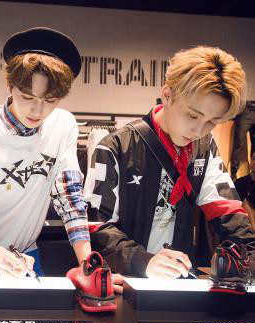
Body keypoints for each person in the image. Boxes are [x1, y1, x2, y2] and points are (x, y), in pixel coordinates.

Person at [0, 27, 118, 301]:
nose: (38, 110)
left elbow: (70, 200)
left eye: (50, 100)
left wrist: (88, 265)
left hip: (27, 257)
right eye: (27, 97)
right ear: (9, 86)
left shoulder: (63, 125)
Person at [84, 46, 255, 280]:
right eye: (192, 115)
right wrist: (143, 261)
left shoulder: (205, 148)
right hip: (122, 282)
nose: (199, 130)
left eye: (212, 122)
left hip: (177, 282)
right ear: (167, 95)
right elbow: (95, 226)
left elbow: (228, 212)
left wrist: (250, 255)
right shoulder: (115, 146)